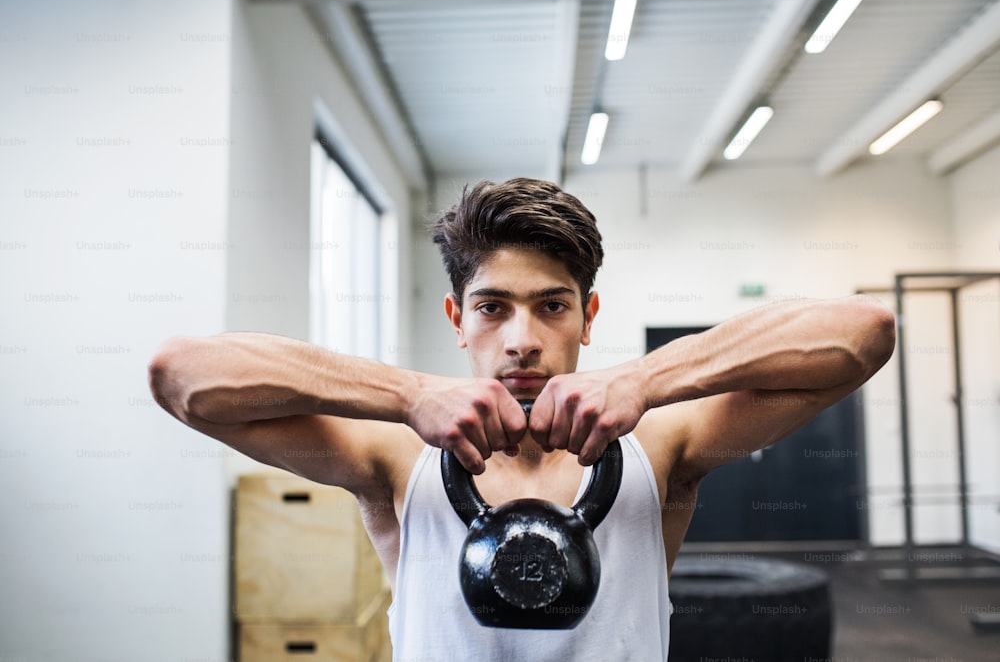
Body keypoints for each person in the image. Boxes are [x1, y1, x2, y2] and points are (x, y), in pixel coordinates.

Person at [148, 177, 895, 660]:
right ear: (457, 317)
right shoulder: (396, 452)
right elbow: (182, 376)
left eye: (552, 304)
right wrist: (408, 392)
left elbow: (862, 332)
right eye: (492, 306)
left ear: (587, 315)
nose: (523, 337)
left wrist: (647, 376)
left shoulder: (659, 440)